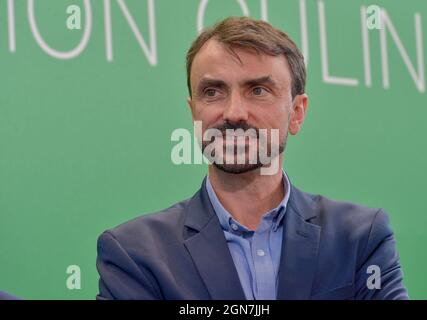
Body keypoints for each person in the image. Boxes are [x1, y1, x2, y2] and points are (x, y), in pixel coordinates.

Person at [96, 16, 408, 300]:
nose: (234, 113)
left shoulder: (360, 240)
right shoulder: (135, 254)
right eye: (213, 92)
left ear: (297, 113)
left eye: (257, 90)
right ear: (194, 113)